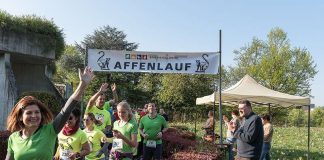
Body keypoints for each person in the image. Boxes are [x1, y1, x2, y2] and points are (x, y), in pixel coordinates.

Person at [6, 67, 94, 160]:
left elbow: (66, 110)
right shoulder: (13, 138)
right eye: (29, 113)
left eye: (37, 112)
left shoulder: (50, 130)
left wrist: (82, 85)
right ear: (20, 117)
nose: (34, 115)